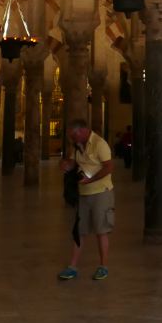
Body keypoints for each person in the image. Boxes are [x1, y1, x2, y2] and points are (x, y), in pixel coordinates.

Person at [57, 119, 114, 282]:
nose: (72, 139)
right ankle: (72, 267)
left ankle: (103, 266)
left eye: (74, 135)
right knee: (79, 231)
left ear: (83, 131)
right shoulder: (77, 145)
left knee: (100, 230)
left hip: (101, 192)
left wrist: (91, 180)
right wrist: (66, 165)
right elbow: (74, 163)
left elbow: (109, 167)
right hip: (83, 194)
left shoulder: (99, 144)